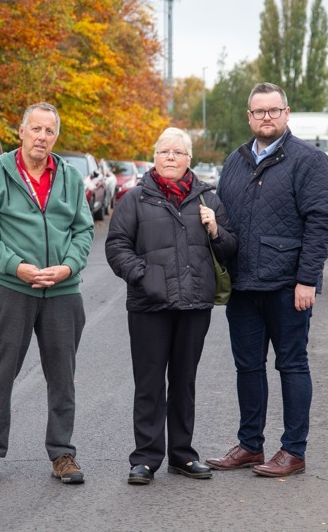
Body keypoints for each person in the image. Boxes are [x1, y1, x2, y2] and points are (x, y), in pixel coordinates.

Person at [206, 83, 328, 478]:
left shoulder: (309, 160)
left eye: (273, 110)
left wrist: (307, 279)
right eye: (259, 111)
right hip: (244, 287)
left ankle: (293, 451)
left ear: (286, 113)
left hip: (287, 287)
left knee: (292, 365)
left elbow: (322, 222)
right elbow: (224, 219)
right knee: (247, 367)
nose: (266, 117)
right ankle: (250, 445)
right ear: (249, 117)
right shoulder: (235, 161)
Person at [0, 102, 94, 485]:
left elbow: (83, 230)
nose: (42, 137)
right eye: (35, 129)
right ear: (21, 132)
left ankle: (62, 454)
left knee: (63, 376)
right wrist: (16, 267)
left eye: (49, 131)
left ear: (56, 136)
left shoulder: (70, 178)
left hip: (62, 291)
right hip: (10, 288)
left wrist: (68, 267)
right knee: (0, 372)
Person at [106, 127, 237, 485]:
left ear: (189, 160)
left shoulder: (208, 199)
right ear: (154, 156)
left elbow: (230, 249)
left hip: (194, 306)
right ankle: (146, 458)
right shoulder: (134, 199)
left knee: (184, 382)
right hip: (149, 306)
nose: (171, 158)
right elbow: (117, 246)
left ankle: (182, 455)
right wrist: (144, 276)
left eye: (178, 153)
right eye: (165, 151)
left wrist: (215, 231)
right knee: (148, 383)